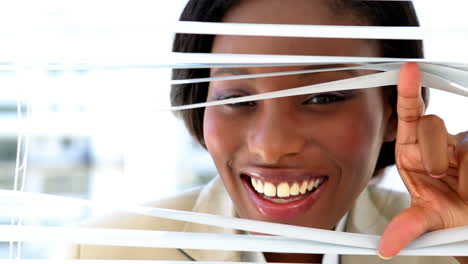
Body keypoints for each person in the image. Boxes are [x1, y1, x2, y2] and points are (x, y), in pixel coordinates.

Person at [62, 0, 468, 263]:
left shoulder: (448, 250)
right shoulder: (106, 252)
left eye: (323, 97)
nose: (271, 148)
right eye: (237, 98)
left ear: (393, 112)